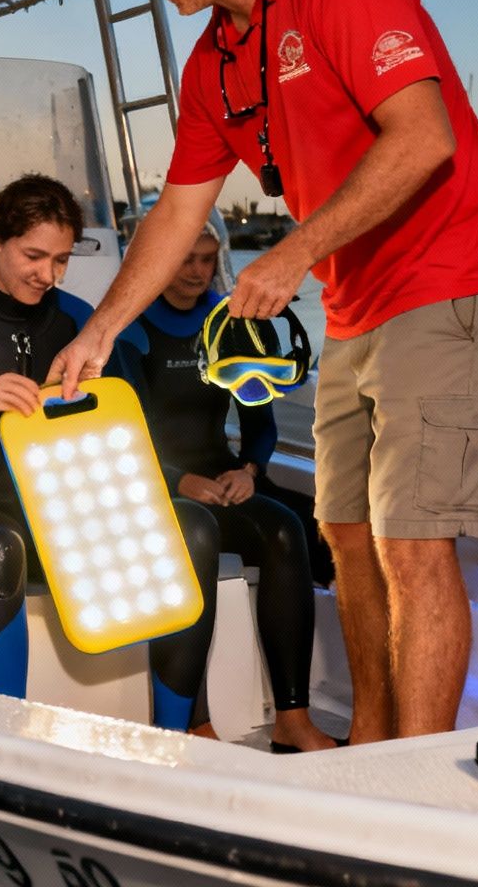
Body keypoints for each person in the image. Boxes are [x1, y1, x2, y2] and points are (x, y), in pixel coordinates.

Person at [49, 0, 478, 742]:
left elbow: (424, 139)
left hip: (452, 275)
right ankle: (371, 750)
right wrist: (101, 329)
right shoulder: (212, 66)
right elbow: (175, 212)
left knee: (413, 542)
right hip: (357, 301)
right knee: (346, 536)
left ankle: (411, 790)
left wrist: (290, 256)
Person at [0, 174, 220, 732]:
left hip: (58, 512)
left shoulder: (78, 319)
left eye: (61, 260)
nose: (48, 275)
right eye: (34, 256)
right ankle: (9, 738)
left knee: (196, 530)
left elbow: (127, 427)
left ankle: (180, 735)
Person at [128, 222, 336, 752]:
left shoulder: (229, 321)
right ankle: (191, 720)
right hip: (148, 484)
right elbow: (125, 430)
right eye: (185, 259)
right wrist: (179, 480)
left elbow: (259, 423)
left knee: (286, 529)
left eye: (207, 259)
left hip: (219, 478)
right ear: (158, 257)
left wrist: (247, 471)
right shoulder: (131, 326)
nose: (198, 272)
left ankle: (293, 719)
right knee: (194, 533)